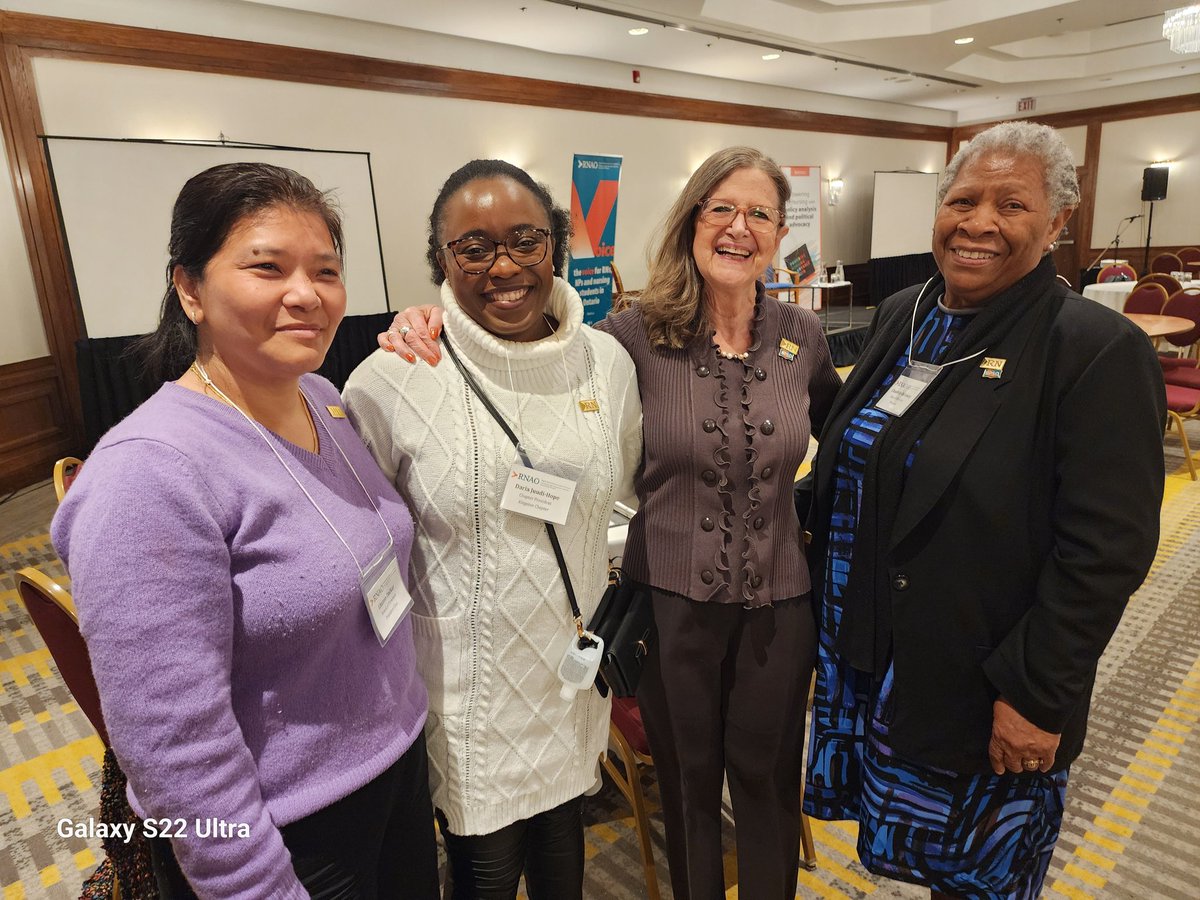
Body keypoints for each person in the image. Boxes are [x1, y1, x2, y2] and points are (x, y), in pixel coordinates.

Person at [382, 147, 842, 900]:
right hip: (669, 610)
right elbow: (529, 357)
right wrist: (428, 319)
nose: (739, 227)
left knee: (765, 785)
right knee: (690, 794)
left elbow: (843, 443)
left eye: (760, 213)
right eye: (720, 208)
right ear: (692, 220)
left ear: (779, 231)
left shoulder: (803, 335)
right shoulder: (630, 336)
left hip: (780, 608)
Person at [52, 163, 439, 900]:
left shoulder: (322, 398)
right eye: (267, 267)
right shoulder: (150, 474)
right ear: (190, 289)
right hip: (293, 830)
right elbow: (174, 751)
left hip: (394, 775)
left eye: (326, 270)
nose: (307, 293)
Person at [802, 121, 1166, 898]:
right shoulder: (906, 313)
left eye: (1012, 204)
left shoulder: (1091, 349)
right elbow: (856, 457)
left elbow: (1105, 552)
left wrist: (1038, 695)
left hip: (990, 680)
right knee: (919, 856)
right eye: (963, 199)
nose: (979, 223)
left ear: (1059, 223)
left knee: (981, 875)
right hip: (879, 658)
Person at [343, 159, 641, 900]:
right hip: (466, 697)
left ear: (557, 247)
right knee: (483, 877)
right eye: (472, 247)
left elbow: (622, 489)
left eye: (525, 241)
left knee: (565, 860)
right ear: (441, 262)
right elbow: (361, 546)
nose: (503, 265)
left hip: (569, 674)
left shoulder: (606, 365)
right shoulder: (394, 377)